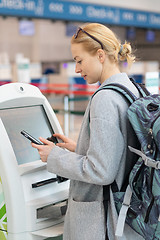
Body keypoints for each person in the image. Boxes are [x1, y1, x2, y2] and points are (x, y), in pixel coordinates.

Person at [32, 23, 144, 240]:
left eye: (79, 60)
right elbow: (121, 152)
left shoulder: (105, 98)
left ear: (100, 55)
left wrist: (54, 156)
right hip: (128, 214)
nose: (76, 69)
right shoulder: (132, 88)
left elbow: (101, 171)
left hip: (102, 222)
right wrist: (80, 148)